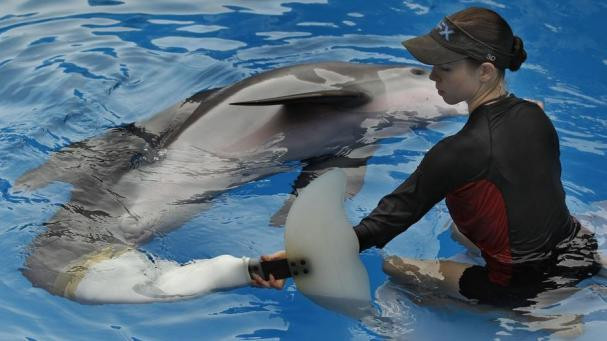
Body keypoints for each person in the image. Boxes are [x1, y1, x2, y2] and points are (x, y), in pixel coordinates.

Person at [252, 7, 601, 308]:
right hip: (577, 246)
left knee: (396, 269)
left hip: (520, 285)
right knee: (459, 230)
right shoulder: (535, 115)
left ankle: (529, 314)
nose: (432, 76)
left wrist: (295, 262)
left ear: (485, 71)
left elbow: (380, 226)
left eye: (445, 68)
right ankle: (584, 272)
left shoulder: (455, 153)